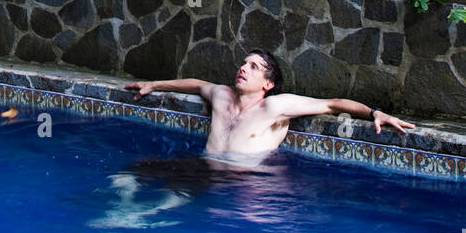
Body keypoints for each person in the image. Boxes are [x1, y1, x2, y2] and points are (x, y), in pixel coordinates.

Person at [125, 50, 416, 160]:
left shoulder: (274, 108)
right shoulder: (223, 96)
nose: (244, 68)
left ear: (268, 84)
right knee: (133, 174)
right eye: (243, 63)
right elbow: (196, 83)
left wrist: (375, 113)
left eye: (254, 67)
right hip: (204, 171)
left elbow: (333, 104)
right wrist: (155, 84)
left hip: (247, 186)